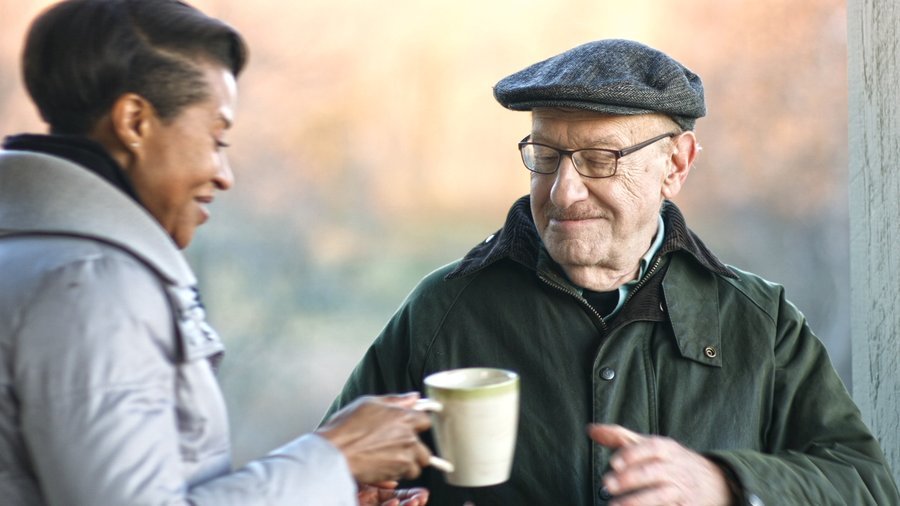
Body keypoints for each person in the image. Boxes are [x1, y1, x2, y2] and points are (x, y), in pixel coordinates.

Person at [326, 39, 900, 505]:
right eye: (546, 156)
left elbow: (866, 485)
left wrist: (723, 484)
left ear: (675, 164)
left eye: (600, 160)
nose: (562, 191)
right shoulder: (444, 308)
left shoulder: (760, 320)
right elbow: (332, 466)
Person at [0, 1, 434, 504]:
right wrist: (337, 455)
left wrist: (325, 487)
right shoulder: (93, 286)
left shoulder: (33, 256)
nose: (223, 174)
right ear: (135, 121)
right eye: (217, 137)